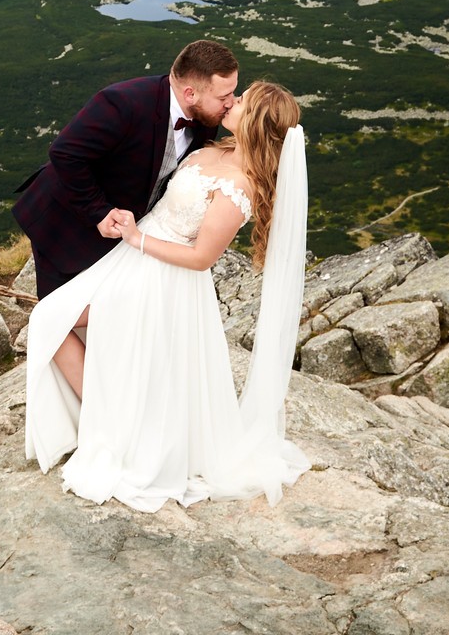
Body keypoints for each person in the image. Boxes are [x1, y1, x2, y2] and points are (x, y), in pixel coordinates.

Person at [22, 81, 311, 511]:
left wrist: (138, 240)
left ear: (256, 122)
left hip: (162, 275)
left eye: (242, 101)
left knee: (52, 320)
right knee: (52, 319)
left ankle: (115, 430)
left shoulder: (240, 186)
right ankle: (111, 421)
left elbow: (200, 258)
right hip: (130, 256)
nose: (232, 103)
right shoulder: (215, 147)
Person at [11, 39, 239, 299]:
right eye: (224, 96)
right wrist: (98, 212)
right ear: (190, 93)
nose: (230, 103)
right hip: (65, 224)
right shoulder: (123, 102)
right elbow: (65, 153)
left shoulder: (206, 118)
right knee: (58, 318)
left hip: (125, 238)